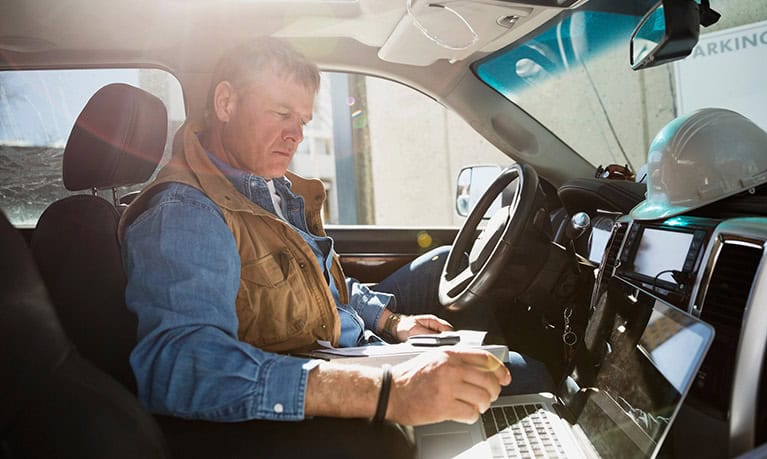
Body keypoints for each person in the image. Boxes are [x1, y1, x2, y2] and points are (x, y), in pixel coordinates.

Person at [119, 37, 550, 439]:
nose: (296, 135)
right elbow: (180, 366)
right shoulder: (185, 212)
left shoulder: (269, 186)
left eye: (302, 120)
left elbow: (325, 286)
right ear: (226, 103)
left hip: (348, 344)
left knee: (441, 264)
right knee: (528, 374)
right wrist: (388, 390)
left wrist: (393, 323)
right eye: (281, 113)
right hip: (324, 381)